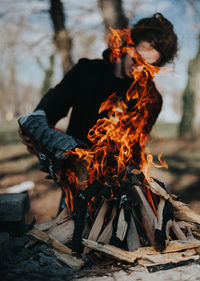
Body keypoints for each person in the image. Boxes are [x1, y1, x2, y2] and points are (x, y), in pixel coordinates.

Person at [19, 13, 178, 209]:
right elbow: (45, 112)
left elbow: (135, 148)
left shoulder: (152, 99)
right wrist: (35, 131)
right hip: (76, 181)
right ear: (128, 45)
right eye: (137, 60)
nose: (138, 70)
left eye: (148, 67)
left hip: (118, 187)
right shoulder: (86, 71)